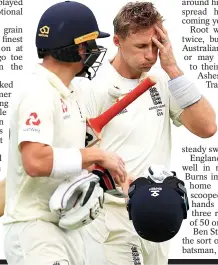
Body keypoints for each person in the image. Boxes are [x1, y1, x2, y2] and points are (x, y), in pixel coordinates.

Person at [78, 2, 217, 265]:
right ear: (117, 41)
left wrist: (173, 68)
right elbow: (78, 157)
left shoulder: (161, 79)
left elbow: (207, 127)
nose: (151, 55)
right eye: (141, 46)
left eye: (155, 45)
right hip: (112, 215)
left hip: (156, 210)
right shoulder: (92, 88)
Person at [3, 1, 127, 265]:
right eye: (91, 44)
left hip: (68, 225)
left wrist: (99, 164)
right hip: (34, 228)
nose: (95, 51)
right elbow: (35, 161)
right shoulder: (37, 92)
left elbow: (73, 158)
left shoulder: (75, 92)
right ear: (78, 47)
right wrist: (96, 154)